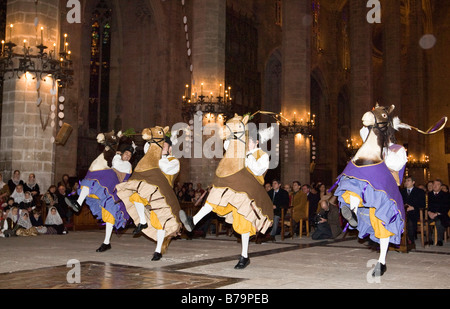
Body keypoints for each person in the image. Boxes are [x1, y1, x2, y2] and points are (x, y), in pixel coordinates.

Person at [401, 176, 426, 244]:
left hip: (415, 211)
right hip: (403, 212)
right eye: (406, 181)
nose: (406, 182)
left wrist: (413, 207)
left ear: (413, 182)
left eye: (408, 180)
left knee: (410, 220)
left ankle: (410, 240)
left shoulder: (420, 191)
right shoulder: (401, 191)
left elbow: (422, 204)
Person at [427, 179, 450, 246]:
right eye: (434, 184)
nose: (435, 186)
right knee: (425, 221)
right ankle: (429, 239)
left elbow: (446, 207)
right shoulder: (428, 195)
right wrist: (429, 212)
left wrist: (436, 213)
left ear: (440, 186)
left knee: (439, 222)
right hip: (429, 214)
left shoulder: (446, 195)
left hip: (441, 214)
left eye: (437, 184)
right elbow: (425, 205)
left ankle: (439, 239)